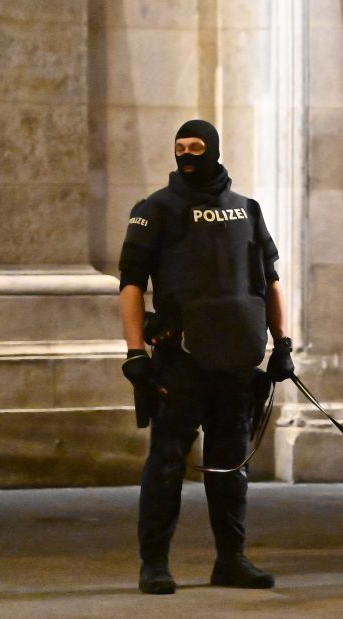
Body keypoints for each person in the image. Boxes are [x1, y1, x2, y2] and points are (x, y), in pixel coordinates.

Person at [118, 119, 295, 594]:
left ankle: (231, 560)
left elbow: (270, 279)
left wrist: (283, 343)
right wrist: (135, 351)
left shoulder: (247, 210)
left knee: (230, 465)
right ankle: (154, 564)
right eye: (180, 148)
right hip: (180, 361)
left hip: (236, 362)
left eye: (197, 147)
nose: (188, 155)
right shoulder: (155, 210)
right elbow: (131, 283)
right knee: (167, 464)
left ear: (214, 150)